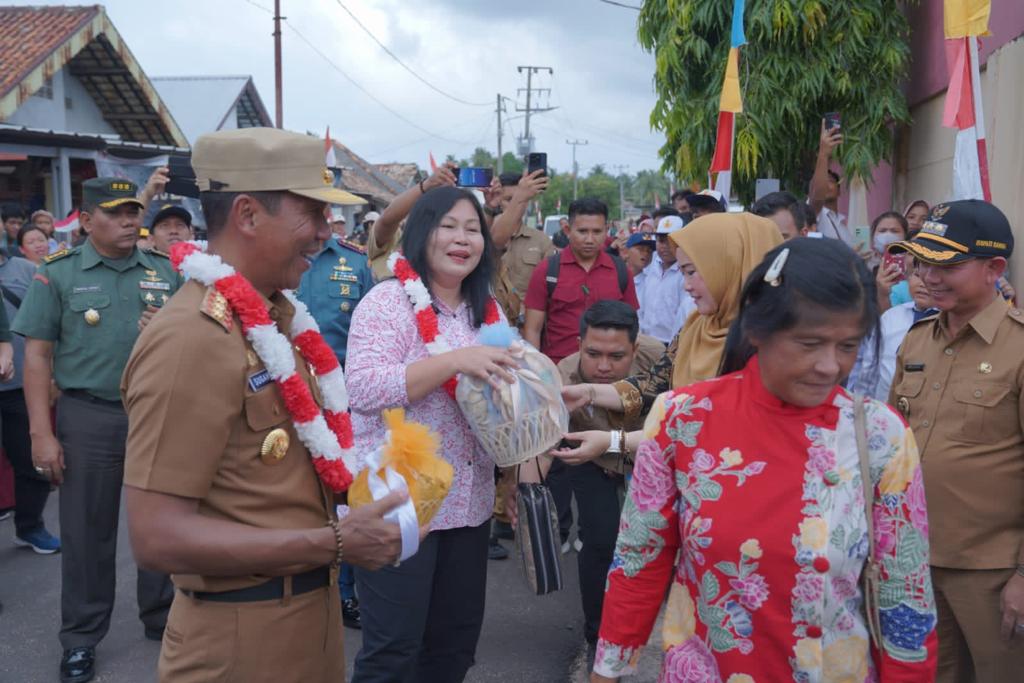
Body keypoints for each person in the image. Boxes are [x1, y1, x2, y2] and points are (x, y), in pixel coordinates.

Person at [120, 128, 407, 683]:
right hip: (238, 644)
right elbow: (157, 536)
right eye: (314, 215)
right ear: (248, 215)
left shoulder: (273, 319)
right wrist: (336, 542)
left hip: (304, 623)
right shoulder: (192, 339)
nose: (328, 232)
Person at [592, 236, 938, 681]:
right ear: (757, 330)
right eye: (810, 344)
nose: (830, 366)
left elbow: (905, 597)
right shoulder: (682, 419)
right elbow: (639, 562)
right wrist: (607, 670)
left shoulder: (879, 435)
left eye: (848, 346)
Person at [345, 185, 518, 683]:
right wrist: (453, 360)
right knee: (393, 652)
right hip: (398, 504)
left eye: (473, 229)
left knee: (453, 646)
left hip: (468, 504)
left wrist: (539, 396)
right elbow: (364, 387)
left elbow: (502, 390)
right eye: (449, 226)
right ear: (422, 232)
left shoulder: (487, 312)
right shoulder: (388, 302)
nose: (462, 239)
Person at [12, 177, 181, 683]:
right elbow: (37, 357)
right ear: (86, 221)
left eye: (134, 211)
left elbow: (198, 341)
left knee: (162, 519)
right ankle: (81, 637)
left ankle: (163, 616)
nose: (131, 220)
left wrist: (168, 330)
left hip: (156, 413)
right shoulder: (57, 275)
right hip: (89, 415)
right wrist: (42, 433)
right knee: (87, 531)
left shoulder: (166, 271)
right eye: (116, 212)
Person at [888, 199, 1024, 682]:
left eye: (948, 263)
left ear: (994, 269)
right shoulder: (916, 339)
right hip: (914, 563)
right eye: (924, 262)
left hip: (993, 573)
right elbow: (893, 449)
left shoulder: (1019, 347)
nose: (930, 275)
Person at [557, 213, 784, 473]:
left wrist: (615, 442)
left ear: (731, 266)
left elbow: (700, 427)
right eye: (683, 273)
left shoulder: (768, 346)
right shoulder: (697, 326)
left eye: (692, 272)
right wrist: (589, 393)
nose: (686, 286)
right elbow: (655, 385)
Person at [551, 301, 662, 663]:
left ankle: (645, 626)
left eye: (616, 356)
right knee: (600, 539)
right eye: (593, 353)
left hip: (650, 457)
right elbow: (542, 436)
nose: (602, 367)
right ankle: (597, 635)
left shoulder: (661, 363)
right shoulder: (563, 376)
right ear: (580, 343)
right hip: (591, 458)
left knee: (652, 544)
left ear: (636, 348)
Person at [295, 214, 375, 630]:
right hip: (280, 395)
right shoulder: (277, 257)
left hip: (342, 401)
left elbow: (372, 336)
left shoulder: (355, 262)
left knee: (344, 495)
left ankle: (345, 592)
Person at [523, 197, 639, 365]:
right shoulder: (546, 271)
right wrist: (537, 371)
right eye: (583, 231)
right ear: (567, 230)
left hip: (608, 371)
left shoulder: (621, 271)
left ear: (607, 230)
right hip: (558, 370)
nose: (590, 239)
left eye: (597, 232)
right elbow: (532, 330)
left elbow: (631, 326)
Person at [0, 249, 53, 553]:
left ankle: (30, 527)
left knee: (32, 462)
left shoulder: (25, 269)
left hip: (21, 385)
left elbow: (48, 323)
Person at [847, 270, 936, 401]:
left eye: (930, 277)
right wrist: (860, 405)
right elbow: (870, 365)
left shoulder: (951, 321)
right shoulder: (892, 316)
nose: (922, 284)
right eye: (917, 275)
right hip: (883, 410)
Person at [637, 215, 695, 345]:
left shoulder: (687, 273)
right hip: (645, 340)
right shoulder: (651, 264)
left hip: (670, 343)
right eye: (661, 240)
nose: (664, 246)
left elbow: (686, 315)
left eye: (670, 241)